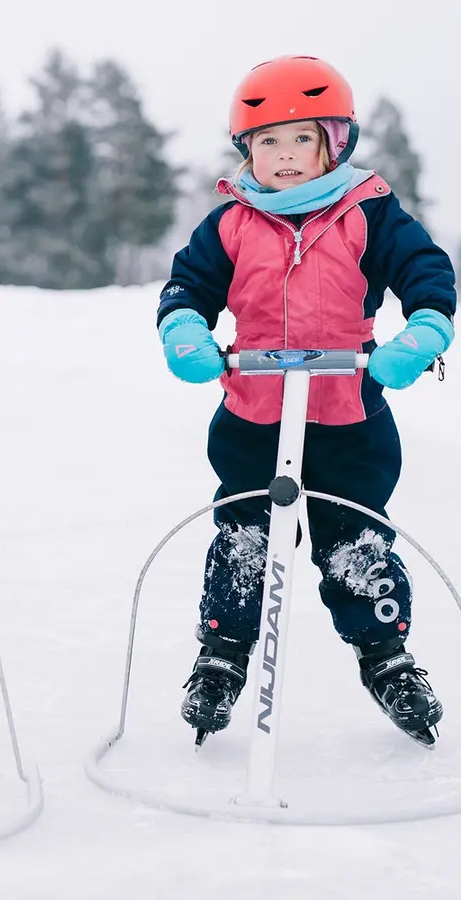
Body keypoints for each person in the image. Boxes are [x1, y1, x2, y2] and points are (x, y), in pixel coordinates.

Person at [156, 55, 456, 746]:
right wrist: (183, 329)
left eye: (301, 140)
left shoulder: (368, 211)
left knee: (356, 541)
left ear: (335, 144)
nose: (284, 157)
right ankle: (222, 657)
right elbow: (188, 284)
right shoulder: (231, 221)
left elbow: (424, 268)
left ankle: (387, 659)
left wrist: (426, 325)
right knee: (244, 539)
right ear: (246, 151)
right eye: (267, 142)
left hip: (349, 413)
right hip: (253, 413)